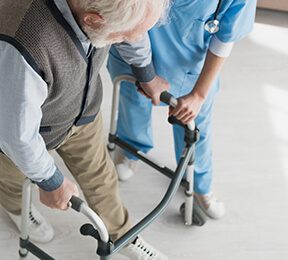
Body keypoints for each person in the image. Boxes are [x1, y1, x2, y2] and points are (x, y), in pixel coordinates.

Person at [0, 0, 171, 260]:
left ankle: (123, 235)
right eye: (123, 35)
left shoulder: (105, 10)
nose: (130, 39)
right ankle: (13, 206)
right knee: (16, 177)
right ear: (92, 20)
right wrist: (50, 181)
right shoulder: (22, 43)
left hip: (79, 108)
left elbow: (132, 25)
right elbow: (18, 137)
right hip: (22, 130)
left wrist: (146, 73)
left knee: (101, 176)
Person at [107, 0, 257, 219]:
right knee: (132, 106)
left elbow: (225, 34)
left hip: (190, 64)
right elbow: (123, 11)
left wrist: (199, 94)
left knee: (196, 124)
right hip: (135, 49)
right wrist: (145, 74)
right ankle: (131, 149)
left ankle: (198, 181)